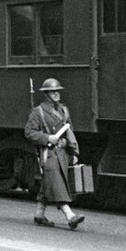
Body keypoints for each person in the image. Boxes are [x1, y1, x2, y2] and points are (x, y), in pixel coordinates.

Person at [24, 78, 86, 230]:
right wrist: (47, 138)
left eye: (58, 91)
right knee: (56, 182)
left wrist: (74, 151)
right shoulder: (38, 112)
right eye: (53, 91)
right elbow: (29, 132)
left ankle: (39, 214)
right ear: (46, 94)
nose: (57, 94)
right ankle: (70, 215)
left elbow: (69, 131)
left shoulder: (64, 110)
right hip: (48, 153)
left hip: (63, 153)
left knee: (49, 183)